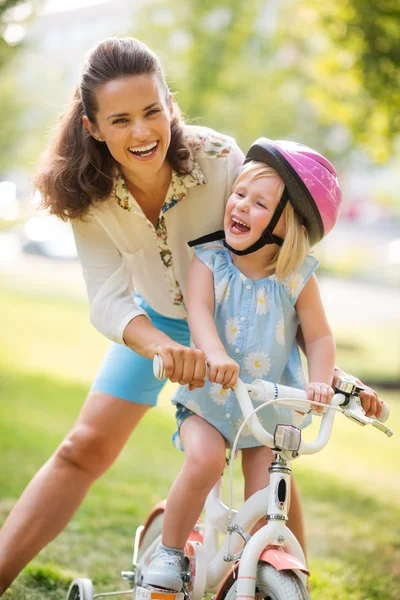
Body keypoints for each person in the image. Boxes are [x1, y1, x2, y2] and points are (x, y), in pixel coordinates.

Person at [0, 38, 382, 594]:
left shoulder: (219, 159)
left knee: (269, 446)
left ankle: (289, 581)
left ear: (170, 105)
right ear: (93, 127)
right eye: (121, 119)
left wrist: (332, 381)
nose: (142, 132)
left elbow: (276, 269)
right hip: (157, 328)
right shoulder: (88, 192)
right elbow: (107, 297)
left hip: (238, 331)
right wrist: (159, 345)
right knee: (83, 447)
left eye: (153, 111)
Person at [142, 138, 364, 592]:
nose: (238, 205)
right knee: (204, 461)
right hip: (208, 399)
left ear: (289, 226)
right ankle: (168, 554)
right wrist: (215, 355)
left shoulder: (296, 276)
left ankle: (251, 572)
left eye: (258, 202)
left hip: (263, 411)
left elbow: (319, 336)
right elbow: (199, 312)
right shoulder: (211, 260)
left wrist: (319, 385)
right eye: (239, 194)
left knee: (265, 495)